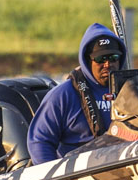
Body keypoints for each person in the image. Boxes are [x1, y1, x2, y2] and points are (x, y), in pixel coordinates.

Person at [27, 23, 127, 163]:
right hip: (78, 170)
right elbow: (40, 140)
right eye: (100, 59)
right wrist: (53, 175)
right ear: (87, 60)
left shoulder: (131, 90)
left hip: (126, 165)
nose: (107, 64)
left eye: (113, 57)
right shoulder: (63, 95)